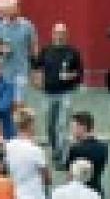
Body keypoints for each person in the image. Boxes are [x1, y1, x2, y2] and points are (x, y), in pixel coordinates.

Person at [38, 24, 82, 166]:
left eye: (62, 32)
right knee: (50, 125)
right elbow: (37, 68)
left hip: (66, 93)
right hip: (48, 94)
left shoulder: (73, 52)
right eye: (57, 32)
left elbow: (79, 73)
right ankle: (55, 149)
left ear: (67, 35)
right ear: (52, 34)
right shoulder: (46, 51)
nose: (60, 35)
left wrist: (70, 75)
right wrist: (37, 82)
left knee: (62, 125)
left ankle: (62, 157)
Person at [4, 109, 48, 199]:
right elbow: (47, 177)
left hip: (16, 194)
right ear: (30, 125)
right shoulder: (35, 150)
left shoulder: (8, 146)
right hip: (34, 195)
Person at [64, 113, 107, 196]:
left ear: (82, 127)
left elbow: (70, 175)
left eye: (73, 127)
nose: (72, 131)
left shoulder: (75, 149)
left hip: (78, 193)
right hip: (96, 190)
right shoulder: (103, 147)